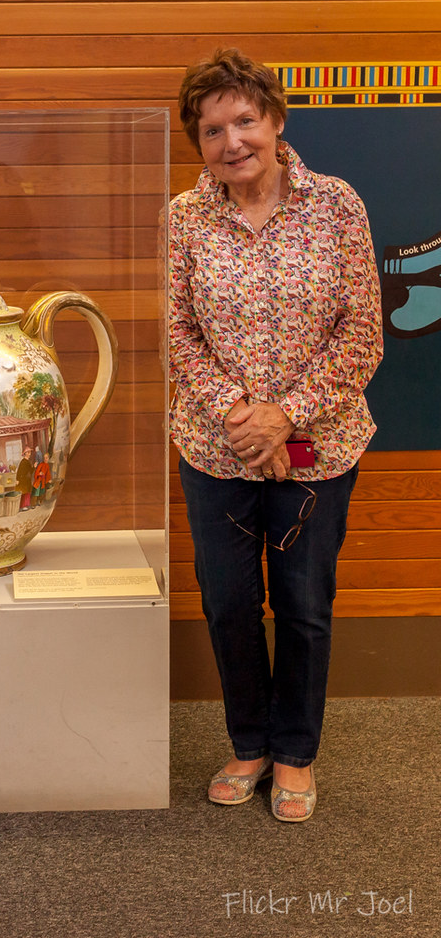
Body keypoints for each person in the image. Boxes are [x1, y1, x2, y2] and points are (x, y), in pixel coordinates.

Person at [169, 48, 382, 822]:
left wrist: (286, 415)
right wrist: (239, 412)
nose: (231, 142)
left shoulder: (337, 205)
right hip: (212, 449)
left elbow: (362, 332)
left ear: (276, 120)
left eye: (244, 121)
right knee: (228, 605)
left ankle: (294, 753)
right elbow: (179, 332)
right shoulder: (184, 218)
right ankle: (249, 743)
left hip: (318, 451)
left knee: (302, 605)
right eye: (212, 129)